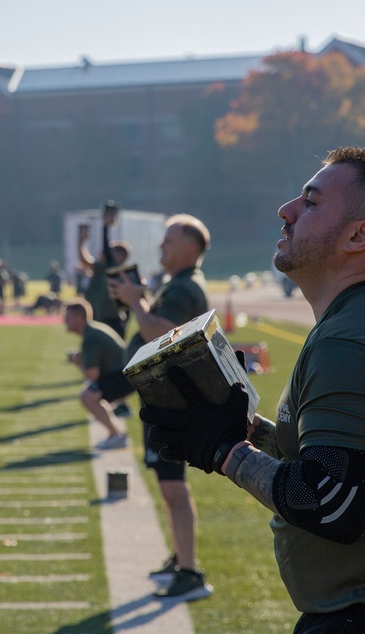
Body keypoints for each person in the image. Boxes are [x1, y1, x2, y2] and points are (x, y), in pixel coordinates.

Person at [138, 148, 365, 634]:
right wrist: (249, 430)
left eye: (311, 202)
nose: (286, 209)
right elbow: (342, 456)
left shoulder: (354, 339)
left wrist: (226, 451)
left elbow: (332, 502)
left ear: (359, 236)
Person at [108, 213, 212, 601]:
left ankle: (190, 572)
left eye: (169, 241)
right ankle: (181, 558)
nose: (161, 247)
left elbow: (161, 335)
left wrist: (136, 302)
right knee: (170, 487)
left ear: (189, 247)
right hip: (167, 399)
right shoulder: (181, 284)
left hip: (171, 402)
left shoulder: (184, 287)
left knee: (173, 487)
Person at [63, 300, 134, 449]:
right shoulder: (92, 330)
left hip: (124, 377)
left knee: (87, 396)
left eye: (67, 317)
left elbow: (92, 375)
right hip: (124, 373)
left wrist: (78, 363)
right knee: (91, 392)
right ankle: (115, 433)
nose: (64, 321)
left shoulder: (90, 336)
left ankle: (116, 435)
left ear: (78, 318)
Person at [80, 201, 132, 337]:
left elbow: (106, 251)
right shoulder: (105, 269)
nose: (108, 252)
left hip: (112, 321)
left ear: (121, 257)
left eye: (113, 251)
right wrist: (81, 242)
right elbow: (84, 260)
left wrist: (105, 227)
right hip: (99, 318)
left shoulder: (115, 270)